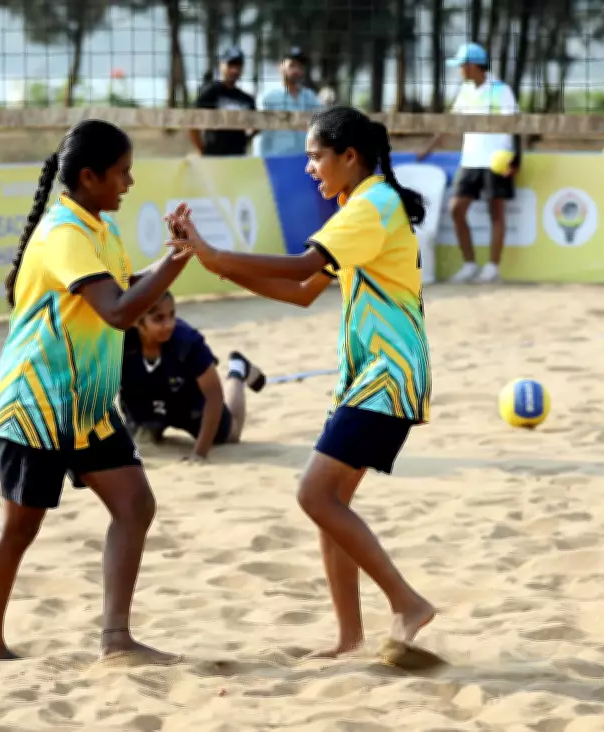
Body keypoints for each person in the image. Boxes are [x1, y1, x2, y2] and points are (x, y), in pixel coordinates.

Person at [166, 106, 435, 656]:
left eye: (316, 155)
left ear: (349, 155)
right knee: (328, 503)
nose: (310, 166)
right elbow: (304, 291)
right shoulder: (363, 206)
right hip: (369, 376)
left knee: (314, 495)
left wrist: (216, 253)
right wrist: (213, 263)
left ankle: (408, 603)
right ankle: (349, 639)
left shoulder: (373, 205)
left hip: (389, 375)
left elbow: (297, 267)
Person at [0, 119, 193, 665]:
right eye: (122, 173)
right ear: (90, 175)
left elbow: (120, 291)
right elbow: (120, 312)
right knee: (20, 527)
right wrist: (171, 266)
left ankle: (116, 640)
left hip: (88, 409)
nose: (130, 182)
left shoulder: (99, 226)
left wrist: (174, 256)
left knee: (135, 503)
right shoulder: (64, 233)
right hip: (38, 405)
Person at [418, 42, 521, 284]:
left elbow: (517, 126)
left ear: (473, 65)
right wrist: (429, 147)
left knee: (495, 212)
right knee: (456, 209)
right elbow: (452, 123)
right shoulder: (465, 90)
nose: (458, 70)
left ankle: (493, 267)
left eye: (461, 65)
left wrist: (516, 160)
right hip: (471, 159)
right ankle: (470, 264)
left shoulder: (501, 90)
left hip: (497, 159)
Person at [120, 290, 266, 461]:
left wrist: (199, 453)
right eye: (158, 318)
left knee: (229, 437)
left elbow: (214, 395)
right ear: (138, 322)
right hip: (147, 397)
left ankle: (237, 370)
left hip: (189, 401)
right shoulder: (118, 343)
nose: (168, 324)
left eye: (172, 315)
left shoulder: (188, 342)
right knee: (142, 437)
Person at [189, 47, 256, 157]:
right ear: (221, 65)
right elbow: (192, 123)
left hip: (239, 156)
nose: (234, 70)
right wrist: (202, 150)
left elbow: (257, 125)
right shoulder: (210, 93)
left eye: (238, 66)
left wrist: (245, 140)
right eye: (230, 65)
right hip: (214, 156)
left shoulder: (246, 99)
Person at [257, 47, 322, 158]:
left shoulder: (310, 97)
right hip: (276, 160)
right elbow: (262, 136)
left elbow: (321, 127)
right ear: (280, 66)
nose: (296, 70)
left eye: (300, 66)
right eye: (292, 65)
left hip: (305, 161)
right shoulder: (268, 97)